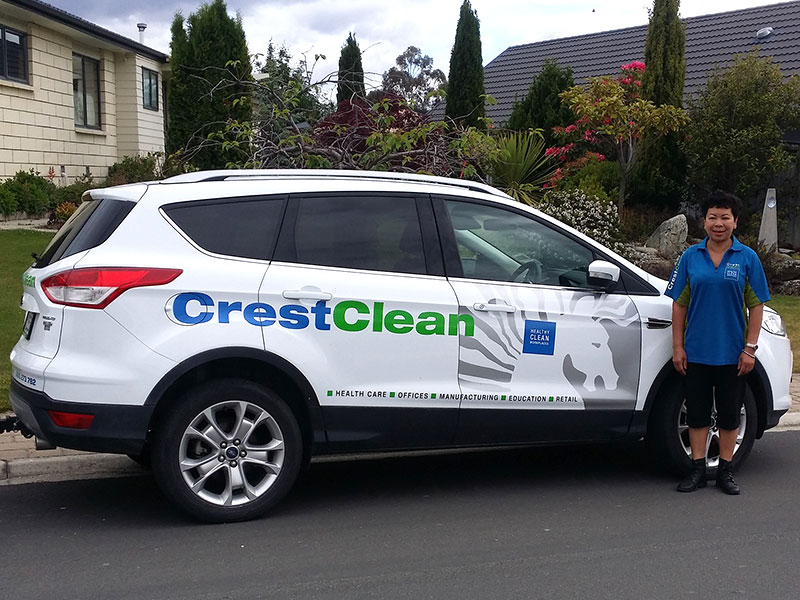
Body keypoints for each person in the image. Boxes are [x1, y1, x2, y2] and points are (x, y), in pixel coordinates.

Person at [665, 190, 770, 495]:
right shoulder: (690, 257)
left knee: (728, 413)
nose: (718, 223)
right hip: (696, 350)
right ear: (704, 221)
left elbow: (757, 305)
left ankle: (725, 470)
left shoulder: (747, 258)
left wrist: (750, 348)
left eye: (725, 217)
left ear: (735, 222)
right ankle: (697, 469)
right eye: (713, 217)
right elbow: (679, 304)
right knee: (696, 413)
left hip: (733, 354)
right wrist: (678, 347)